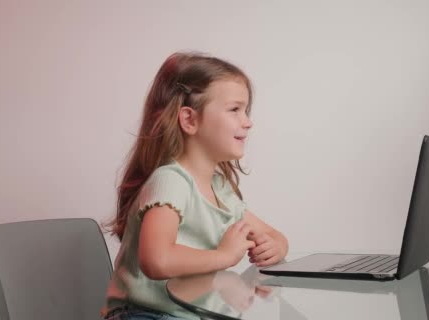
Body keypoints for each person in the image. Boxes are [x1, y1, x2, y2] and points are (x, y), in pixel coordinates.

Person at [101, 52, 289, 320]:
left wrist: (275, 247)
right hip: (144, 314)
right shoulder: (170, 181)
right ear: (189, 120)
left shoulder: (219, 188)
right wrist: (224, 256)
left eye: (246, 110)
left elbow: (274, 235)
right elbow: (157, 260)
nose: (248, 121)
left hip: (185, 314)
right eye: (235, 109)